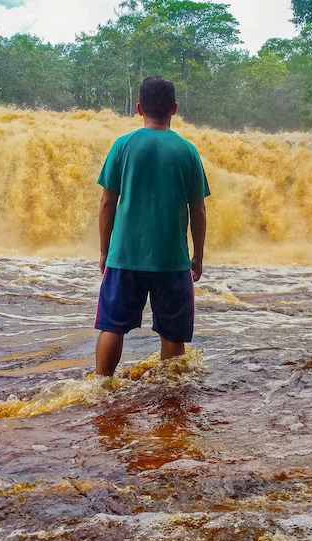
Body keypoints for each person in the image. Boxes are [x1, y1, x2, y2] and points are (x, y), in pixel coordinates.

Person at [94, 76, 210, 377]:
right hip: (171, 259)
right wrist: (197, 256)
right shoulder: (188, 151)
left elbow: (107, 203)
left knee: (112, 327)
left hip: (125, 255)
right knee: (173, 334)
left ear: (138, 108)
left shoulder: (123, 145)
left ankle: (101, 387)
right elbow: (197, 209)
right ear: (174, 109)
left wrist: (105, 252)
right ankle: (170, 408)